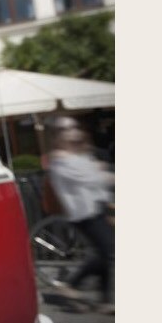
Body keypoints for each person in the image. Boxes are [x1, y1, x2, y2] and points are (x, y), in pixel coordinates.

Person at [47, 126, 115, 311]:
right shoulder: (60, 160)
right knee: (107, 251)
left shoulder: (79, 155)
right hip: (83, 212)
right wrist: (105, 173)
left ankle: (106, 299)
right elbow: (90, 179)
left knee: (106, 253)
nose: (74, 133)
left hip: (96, 208)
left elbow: (94, 178)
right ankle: (71, 284)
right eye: (68, 131)